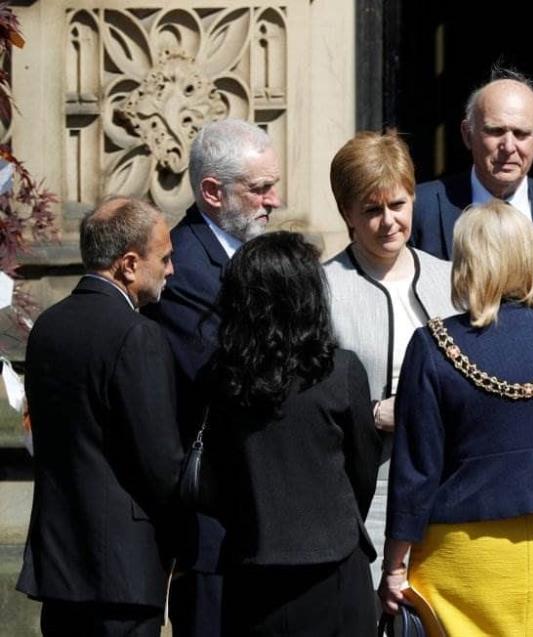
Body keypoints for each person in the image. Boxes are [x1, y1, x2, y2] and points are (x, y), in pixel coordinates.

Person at [379, 200, 533, 636]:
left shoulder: (433, 345)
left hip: (467, 552)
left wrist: (394, 566)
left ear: (466, 265)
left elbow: (417, 470)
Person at [200, 231, 381, 636]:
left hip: (253, 568)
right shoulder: (342, 371)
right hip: (334, 566)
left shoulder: (220, 378)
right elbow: (362, 470)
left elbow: (219, 477)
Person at [17, 197, 182, 636]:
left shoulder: (47, 327)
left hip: (61, 568)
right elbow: (161, 466)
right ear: (129, 264)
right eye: (164, 258)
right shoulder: (138, 335)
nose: (171, 270)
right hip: (123, 575)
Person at [141, 118, 281, 636]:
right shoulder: (181, 268)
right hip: (214, 520)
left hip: (265, 513)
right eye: (260, 188)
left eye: (274, 185)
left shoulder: (260, 253)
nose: (273, 200)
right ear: (211, 192)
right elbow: (230, 374)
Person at [323, 130, 457, 576]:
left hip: (450, 484)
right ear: (347, 214)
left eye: (397, 205)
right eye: (371, 210)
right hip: (366, 491)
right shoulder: (322, 288)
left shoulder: (452, 280)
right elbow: (308, 395)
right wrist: (374, 412)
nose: (388, 222)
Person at [411, 67, 533, 351]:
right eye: (495, 131)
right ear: (468, 134)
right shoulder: (423, 207)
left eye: (521, 133)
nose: (508, 146)